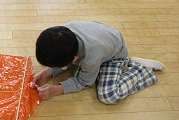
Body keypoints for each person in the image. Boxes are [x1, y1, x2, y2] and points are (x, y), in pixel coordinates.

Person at [33, 21, 165, 104]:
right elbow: (64, 62)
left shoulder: (91, 57)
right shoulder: (62, 33)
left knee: (109, 96)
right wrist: (48, 72)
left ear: (74, 59)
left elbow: (84, 82)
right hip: (104, 38)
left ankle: (139, 69)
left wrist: (57, 90)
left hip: (115, 55)